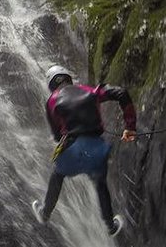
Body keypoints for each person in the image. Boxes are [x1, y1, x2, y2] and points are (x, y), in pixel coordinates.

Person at [32, 65, 136, 236]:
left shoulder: (52, 101)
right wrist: (130, 127)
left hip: (73, 149)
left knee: (57, 175)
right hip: (96, 150)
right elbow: (121, 93)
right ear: (69, 79)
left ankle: (45, 213)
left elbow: (57, 135)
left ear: (51, 84)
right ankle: (110, 225)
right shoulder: (91, 91)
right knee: (100, 183)